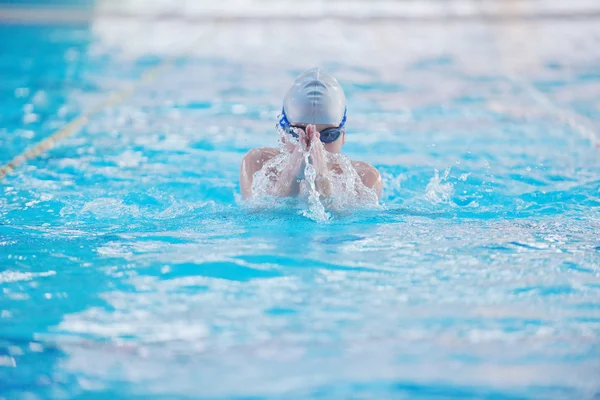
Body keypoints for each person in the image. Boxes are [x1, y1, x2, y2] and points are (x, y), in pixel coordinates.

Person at [240, 67, 382, 203]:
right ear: (283, 134)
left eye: (328, 135)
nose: (313, 144)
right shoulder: (258, 164)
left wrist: (323, 183)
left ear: (343, 136)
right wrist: (291, 175)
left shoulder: (365, 180)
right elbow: (263, 219)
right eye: (297, 134)